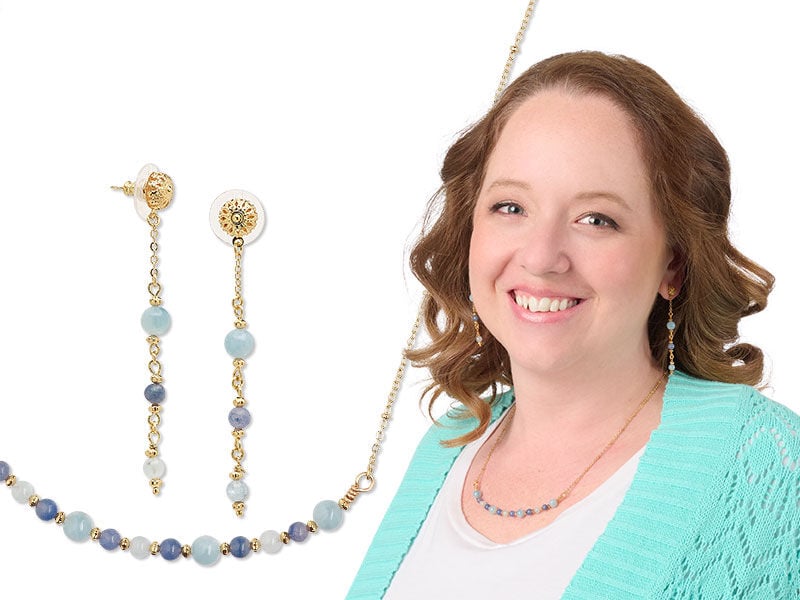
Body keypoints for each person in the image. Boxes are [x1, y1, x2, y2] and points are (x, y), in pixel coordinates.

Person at [347, 51, 800, 599]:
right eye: (510, 207)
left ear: (673, 264)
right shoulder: (449, 442)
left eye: (596, 219)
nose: (541, 257)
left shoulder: (768, 467)